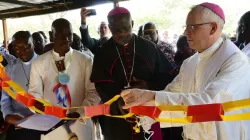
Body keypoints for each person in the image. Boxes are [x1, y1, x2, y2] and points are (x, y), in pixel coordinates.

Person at [121, 2, 250, 140]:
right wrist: (142, 107)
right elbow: (171, 94)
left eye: (192, 26)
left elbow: (210, 104)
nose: (186, 32)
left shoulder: (235, 61)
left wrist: (150, 97)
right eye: (186, 26)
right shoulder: (190, 63)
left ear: (213, 28)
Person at [90, 7, 176, 140]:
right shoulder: (103, 53)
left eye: (126, 27)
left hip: (148, 112)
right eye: (116, 30)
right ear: (110, 28)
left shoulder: (149, 48)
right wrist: (118, 101)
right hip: (117, 118)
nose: (122, 33)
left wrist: (148, 85)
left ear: (132, 24)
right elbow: (101, 84)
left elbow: (167, 76)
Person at [28, 18, 100, 140]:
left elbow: (94, 92)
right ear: (51, 36)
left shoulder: (85, 60)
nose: (66, 39)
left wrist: (80, 112)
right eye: (60, 35)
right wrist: (36, 105)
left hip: (80, 122)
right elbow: (34, 93)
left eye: (69, 35)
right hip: (51, 124)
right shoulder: (39, 63)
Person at [1, 31, 41, 140]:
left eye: (26, 46)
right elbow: (5, 98)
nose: (22, 51)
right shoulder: (10, 68)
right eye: (17, 48)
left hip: (43, 124)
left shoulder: (45, 63)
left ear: (33, 43)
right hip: (18, 122)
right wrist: (7, 115)